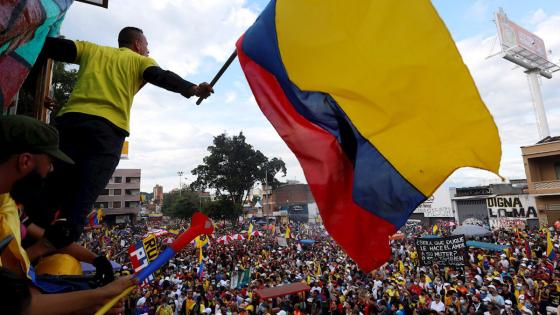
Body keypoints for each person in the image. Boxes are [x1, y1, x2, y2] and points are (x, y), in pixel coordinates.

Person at [31, 26, 214, 244]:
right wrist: (193, 88)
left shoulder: (91, 49)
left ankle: (26, 246)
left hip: (69, 125)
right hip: (106, 133)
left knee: (50, 192)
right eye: (146, 46)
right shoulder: (139, 61)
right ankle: (56, 256)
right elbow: (162, 76)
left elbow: (50, 47)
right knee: (81, 201)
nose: (148, 51)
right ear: (137, 45)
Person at [0, 115, 134, 314]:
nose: (51, 170)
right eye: (49, 162)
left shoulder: (8, 201)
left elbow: (50, 239)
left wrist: (97, 260)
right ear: (25, 161)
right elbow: (20, 306)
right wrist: (100, 296)